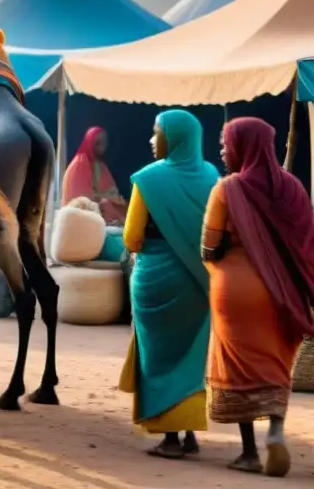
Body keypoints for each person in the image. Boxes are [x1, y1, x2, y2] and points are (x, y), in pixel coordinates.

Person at [202, 117, 314, 478]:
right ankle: (277, 430)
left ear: (243, 145)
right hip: (284, 293)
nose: (222, 150)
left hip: (234, 290)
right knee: (276, 363)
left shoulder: (227, 189)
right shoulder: (295, 188)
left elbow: (209, 246)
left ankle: (249, 452)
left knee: (236, 365)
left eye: (225, 143)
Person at [118, 110, 218, 458]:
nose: (151, 140)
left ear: (173, 139)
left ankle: (171, 439)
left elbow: (131, 238)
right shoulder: (211, 175)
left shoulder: (149, 179)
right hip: (199, 284)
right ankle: (189, 434)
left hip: (156, 279)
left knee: (159, 357)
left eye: (156, 133)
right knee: (190, 358)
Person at [62, 126, 128, 223]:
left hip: (100, 206)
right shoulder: (80, 163)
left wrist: (116, 199)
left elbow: (112, 190)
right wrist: (108, 198)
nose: (102, 146)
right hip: (83, 212)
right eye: (98, 143)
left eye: (104, 142)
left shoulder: (100, 165)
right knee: (106, 205)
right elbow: (81, 200)